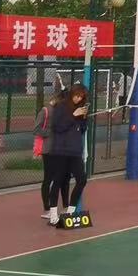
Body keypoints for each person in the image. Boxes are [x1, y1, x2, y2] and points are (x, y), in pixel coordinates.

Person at [44, 83, 88, 225]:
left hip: (75, 151)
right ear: (72, 94)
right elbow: (58, 127)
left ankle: (70, 212)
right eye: (77, 96)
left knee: (82, 179)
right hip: (61, 150)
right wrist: (73, 116)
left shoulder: (80, 108)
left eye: (81, 97)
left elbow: (82, 129)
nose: (78, 99)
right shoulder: (61, 106)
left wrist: (83, 118)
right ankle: (53, 215)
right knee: (57, 180)